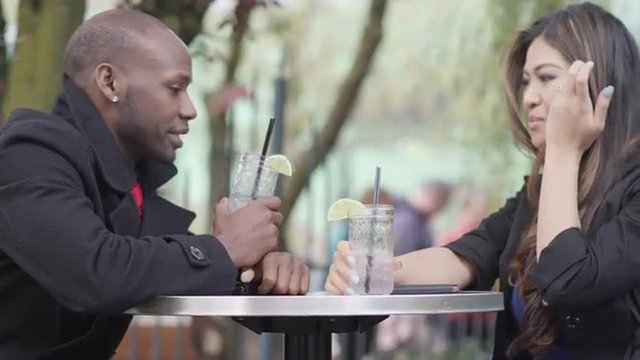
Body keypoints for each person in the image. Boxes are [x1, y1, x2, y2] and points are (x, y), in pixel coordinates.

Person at [326, 3, 640, 359]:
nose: (528, 98)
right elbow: (469, 255)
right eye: (525, 82)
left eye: (547, 77)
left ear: (597, 86)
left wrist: (563, 152)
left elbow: (566, 278)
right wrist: (379, 270)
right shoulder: (535, 195)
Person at [0, 9, 309, 359]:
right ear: (110, 82)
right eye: (174, 88)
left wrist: (254, 272)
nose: (191, 109)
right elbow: (97, 272)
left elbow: (153, 266)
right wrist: (223, 249)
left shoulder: (129, 181)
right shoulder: (30, 152)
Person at [393, 181, 452, 256]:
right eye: (442, 203)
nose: (441, 208)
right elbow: (403, 255)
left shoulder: (419, 219)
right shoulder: (408, 221)